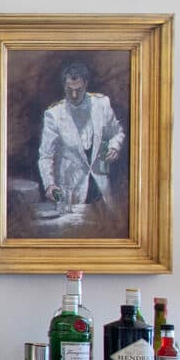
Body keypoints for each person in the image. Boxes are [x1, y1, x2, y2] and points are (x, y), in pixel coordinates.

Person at [35, 58, 125, 231]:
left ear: (86, 84)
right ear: (64, 87)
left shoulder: (102, 104)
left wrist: (114, 146)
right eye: (69, 90)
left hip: (101, 188)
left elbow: (117, 132)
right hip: (71, 192)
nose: (74, 95)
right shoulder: (53, 115)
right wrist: (49, 184)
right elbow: (45, 156)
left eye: (79, 90)